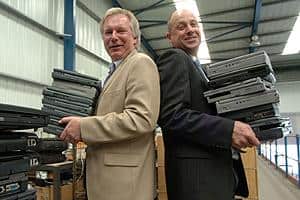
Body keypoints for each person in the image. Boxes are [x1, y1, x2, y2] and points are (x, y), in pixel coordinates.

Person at [156, 9, 260, 200]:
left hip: (214, 175)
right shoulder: (175, 58)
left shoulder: (199, 68)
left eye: (194, 24)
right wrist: (229, 130)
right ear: (169, 37)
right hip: (196, 181)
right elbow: (172, 115)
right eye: (181, 27)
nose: (190, 30)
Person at [59, 7, 160, 200]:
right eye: (108, 32)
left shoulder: (140, 63)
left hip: (124, 185)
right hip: (108, 180)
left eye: (121, 31)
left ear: (135, 39)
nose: (113, 37)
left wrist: (84, 127)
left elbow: (141, 119)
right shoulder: (114, 71)